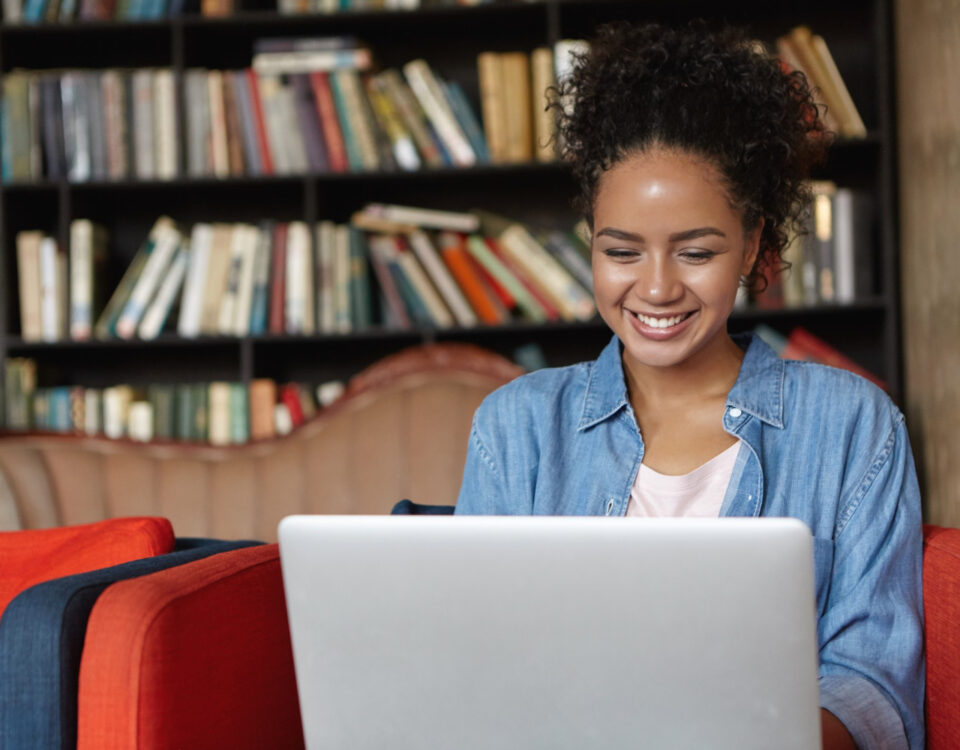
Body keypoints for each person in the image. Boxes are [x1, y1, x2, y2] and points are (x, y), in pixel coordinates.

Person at [455, 21, 924, 750]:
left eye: (697, 251)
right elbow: (473, 667)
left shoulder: (851, 424)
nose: (658, 287)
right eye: (621, 251)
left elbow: (873, 685)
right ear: (591, 243)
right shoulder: (516, 427)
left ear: (755, 246)